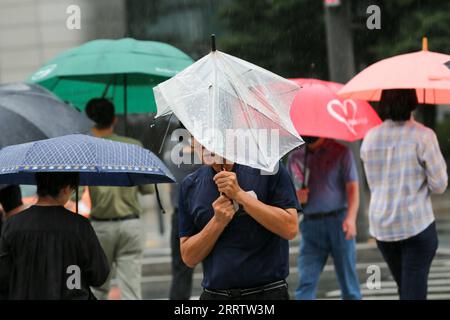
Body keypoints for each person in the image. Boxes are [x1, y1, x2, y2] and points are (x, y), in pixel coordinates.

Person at [179, 141, 300, 300]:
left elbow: (290, 228)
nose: (204, 140)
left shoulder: (268, 168)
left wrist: (239, 195)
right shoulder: (190, 185)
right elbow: (189, 257)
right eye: (197, 135)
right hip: (215, 295)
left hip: (267, 293)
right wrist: (217, 222)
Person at [360, 89, 448, 300]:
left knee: (405, 287)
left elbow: (373, 180)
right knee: (414, 289)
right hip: (415, 224)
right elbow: (439, 185)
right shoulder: (423, 136)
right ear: (412, 102)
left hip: (383, 227)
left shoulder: (370, 138)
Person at [85, 98, 154, 300]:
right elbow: (147, 189)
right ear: (114, 119)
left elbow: (75, 191)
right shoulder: (133, 147)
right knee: (131, 289)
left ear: (91, 119)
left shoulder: (87, 148)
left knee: (98, 287)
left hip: (100, 227)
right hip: (131, 224)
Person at [0, 172, 109, 299]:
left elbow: (3, 276)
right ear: (65, 189)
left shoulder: (12, 225)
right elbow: (99, 275)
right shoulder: (80, 226)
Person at [287, 136, 361, 300]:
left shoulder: (341, 152)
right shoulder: (295, 157)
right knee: (306, 281)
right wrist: (297, 198)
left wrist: (351, 218)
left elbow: (353, 188)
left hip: (339, 222)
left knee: (349, 285)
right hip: (310, 225)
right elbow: (288, 194)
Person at [162, 120, 201, 300]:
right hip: (206, 214)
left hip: (183, 215)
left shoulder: (171, 154)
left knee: (181, 271)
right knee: (215, 268)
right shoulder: (209, 153)